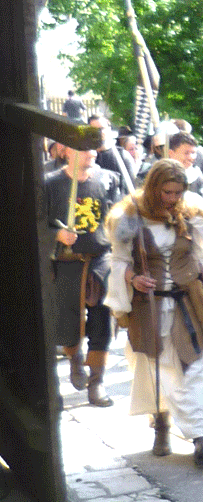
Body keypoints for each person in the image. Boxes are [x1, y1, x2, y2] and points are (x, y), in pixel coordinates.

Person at [104, 160, 203, 465]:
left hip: (188, 304)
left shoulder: (191, 213)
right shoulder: (129, 216)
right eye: (167, 192)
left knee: (199, 368)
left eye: (178, 192)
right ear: (154, 187)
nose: (172, 198)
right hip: (151, 307)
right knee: (168, 373)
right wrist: (133, 277)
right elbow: (118, 261)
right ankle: (195, 434)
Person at [43, 147, 124, 406]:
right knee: (68, 322)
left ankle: (97, 382)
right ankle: (75, 359)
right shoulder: (50, 184)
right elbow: (34, 222)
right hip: (66, 262)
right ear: (67, 152)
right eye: (84, 150)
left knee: (103, 319)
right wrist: (55, 235)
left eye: (93, 150)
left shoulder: (106, 181)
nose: (92, 154)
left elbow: (116, 218)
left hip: (100, 259)